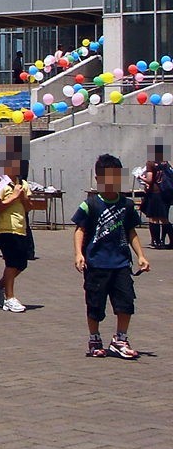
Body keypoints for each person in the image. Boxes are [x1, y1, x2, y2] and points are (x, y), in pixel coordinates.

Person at [74, 153, 150, 359]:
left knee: (126, 302)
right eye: (107, 177)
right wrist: (79, 253)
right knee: (95, 305)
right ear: (98, 179)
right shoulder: (90, 204)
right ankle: (94, 339)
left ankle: (120, 340)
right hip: (96, 264)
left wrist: (141, 256)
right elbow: (80, 230)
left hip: (121, 263)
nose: (112, 182)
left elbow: (131, 231)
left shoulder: (126, 205)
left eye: (116, 177)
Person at [0, 150, 46, 313]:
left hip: (21, 228)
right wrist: (13, 196)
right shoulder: (0, 183)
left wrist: (23, 197)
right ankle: (10, 297)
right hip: (5, 228)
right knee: (11, 262)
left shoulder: (23, 183)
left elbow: (29, 207)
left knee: (22, 263)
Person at [138, 146, 172, 249]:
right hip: (166, 193)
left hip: (155, 192)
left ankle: (156, 242)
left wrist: (140, 177)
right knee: (164, 218)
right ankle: (170, 240)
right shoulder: (166, 163)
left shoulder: (150, 163)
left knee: (153, 218)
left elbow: (150, 179)